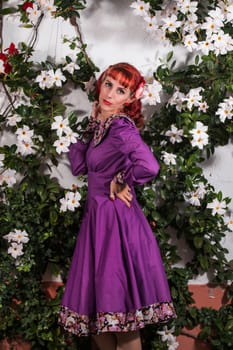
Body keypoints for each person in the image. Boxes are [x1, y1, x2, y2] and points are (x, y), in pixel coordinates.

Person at [59, 62, 176, 350]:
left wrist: (123, 179)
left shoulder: (121, 127)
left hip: (116, 226)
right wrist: (92, 123)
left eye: (120, 90)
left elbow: (149, 166)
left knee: (121, 320)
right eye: (108, 84)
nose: (109, 93)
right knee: (95, 319)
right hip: (97, 223)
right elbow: (78, 166)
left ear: (131, 98)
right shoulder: (103, 125)